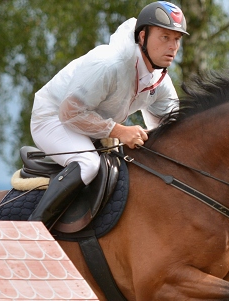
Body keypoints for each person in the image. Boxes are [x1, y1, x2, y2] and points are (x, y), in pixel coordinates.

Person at [29, 1, 188, 228]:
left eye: (177, 39)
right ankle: (34, 230)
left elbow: (170, 131)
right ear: (142, 37)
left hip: (92, 126)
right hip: (53, 118)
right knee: (88, 164)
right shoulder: (109, 64)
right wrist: (120, 131)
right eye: (165, 37)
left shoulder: (159, 80)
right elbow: (70, 113)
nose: (173, 47)